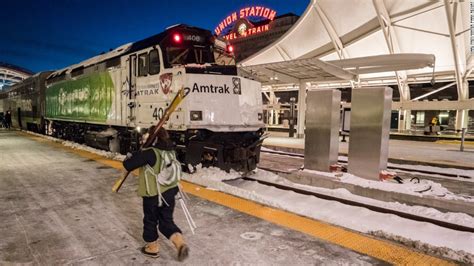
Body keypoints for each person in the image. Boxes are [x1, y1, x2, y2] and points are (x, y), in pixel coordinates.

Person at [122, 126, 189, 261]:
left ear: (152, 138)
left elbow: (128, 165)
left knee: (150, 221)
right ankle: (180, 243)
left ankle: (152, 248)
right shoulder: (171, 151)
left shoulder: (149, 152)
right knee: (166, 221)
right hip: (170, 192)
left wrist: (130, 155)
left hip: (153, 194)